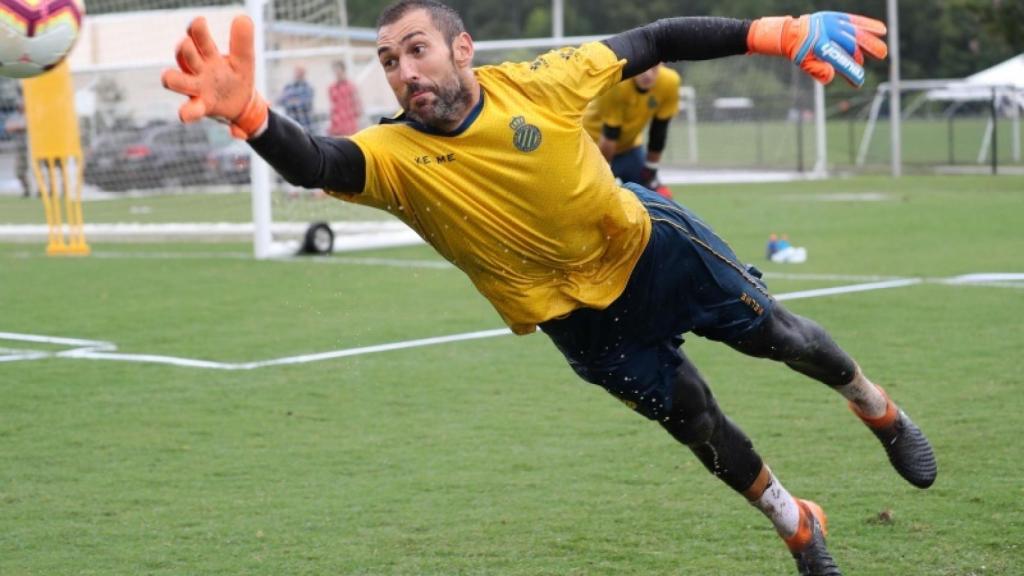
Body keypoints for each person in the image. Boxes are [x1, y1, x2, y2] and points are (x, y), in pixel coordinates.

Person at [162, 4, 934, 574]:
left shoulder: (542, 82)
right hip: (581, 323)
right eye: (389, 60)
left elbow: (657, 40)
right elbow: (316, 161)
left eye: (418, 50)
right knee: (698, 424)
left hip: (651, 250)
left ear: (462, 49)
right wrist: (253, 115)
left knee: (784, 339)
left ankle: (875, 406)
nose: (405, 71)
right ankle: (796, 525)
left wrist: (778, 31)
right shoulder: (392, 156)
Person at [583, 62, 679, 198]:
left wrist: (651, 168)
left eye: (653, 67)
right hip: (593, 149)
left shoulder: (670, 81)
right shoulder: (616, 83)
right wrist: (603, 173)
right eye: (642, 67)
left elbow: (659, 130)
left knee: (660, 197)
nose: (647, 74)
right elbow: (610, 134)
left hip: (629, 149)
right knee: (592, 199)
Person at [327, 61, 362, 137]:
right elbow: (332, 107)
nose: (337, 73)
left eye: (338, 70)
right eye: (335, 71)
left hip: (350, 124)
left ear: (343, 70)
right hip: (337, 125)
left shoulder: (351, 86)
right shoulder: (331, 88)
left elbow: (357, 105)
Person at [277, 65, 314, 132]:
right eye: (296, 72)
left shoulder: (308, 87)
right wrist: (294, 100)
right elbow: (280, 101)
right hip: (291, 124)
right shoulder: (288, 86)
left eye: (300, 72)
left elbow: (305, 104)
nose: (297, 74)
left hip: (304, 124)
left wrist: (291, 100)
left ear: (304, 73)